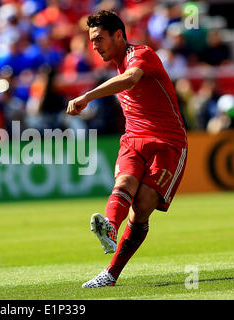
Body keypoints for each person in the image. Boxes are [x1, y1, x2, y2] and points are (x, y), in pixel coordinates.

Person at [66, 10, 188, 288]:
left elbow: (132, 79)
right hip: (133, 138)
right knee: (123, 183)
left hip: (167, 143)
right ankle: (109, 228)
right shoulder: (118, 64)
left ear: (119, 35)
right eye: (92, 41)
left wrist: (87, 96)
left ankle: (112, 272)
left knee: (142, 207)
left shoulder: (141, 54)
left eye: (99, 39)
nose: (94, 46)